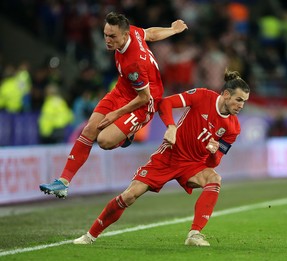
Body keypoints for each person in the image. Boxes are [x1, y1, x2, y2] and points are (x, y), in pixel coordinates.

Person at [73, 70, 250, 246]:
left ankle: (194, 234)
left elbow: (215, 161)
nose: (241, 105)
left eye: (244, 101)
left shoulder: (233, 128)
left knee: (214, 178)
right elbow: (165, 103)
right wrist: (171, 126)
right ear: (226, 95)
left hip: (193, 165)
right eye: (239, 100)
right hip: (169, 155)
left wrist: (213, 152)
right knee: (129, 195)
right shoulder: (202, 96)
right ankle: (90, 235)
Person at [39, 12, 188, 198]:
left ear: (124, 36)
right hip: (122, 90)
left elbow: (143, 97)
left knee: (104, 141)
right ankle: (63, 182)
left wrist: (116, 114)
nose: (107, 40)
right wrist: (173, 29)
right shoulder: (132, 32)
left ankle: (128, 134)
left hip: (145, 101)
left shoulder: (134, 63)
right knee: (89, 130)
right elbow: (150, 33)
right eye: (105, 35)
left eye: (112, 36)